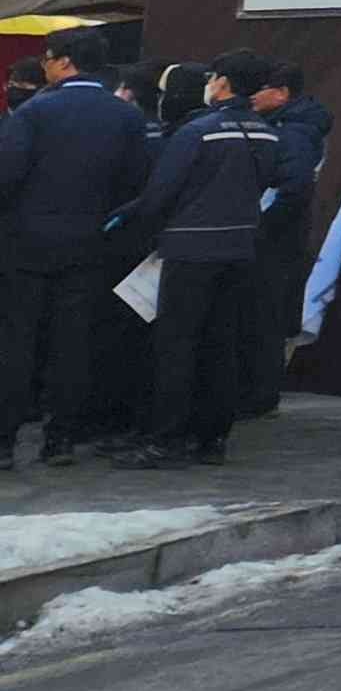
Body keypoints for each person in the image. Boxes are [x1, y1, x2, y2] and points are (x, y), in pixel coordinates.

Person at [104, 54, 288, 468]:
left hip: (190, 249)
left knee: (177, 345)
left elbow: (162, 191)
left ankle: (166, 439)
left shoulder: (199, 131)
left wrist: (130, 217)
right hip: (239, 248)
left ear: (222, 83)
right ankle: (211, 439)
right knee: (221, 345)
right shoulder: (267, 133)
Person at [0, 26, 153, 469]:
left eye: (47, 58)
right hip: (91, 245)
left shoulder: (35, 112)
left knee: (17, 342)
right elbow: (136, 182)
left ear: (64, 61)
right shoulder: (125, 117)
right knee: (74, 343)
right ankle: (61, 439)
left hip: (26, 245)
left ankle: (5, 441)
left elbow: (6, 177)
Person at [243, 59, 330, 416]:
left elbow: (293, 189)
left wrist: (262, 224)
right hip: (280, 238)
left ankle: (260, 397)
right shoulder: (292, 125)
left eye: (260, 89)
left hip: (276, 241)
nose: (252, 96)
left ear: (281, 93)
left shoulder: (293, 133)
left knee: (266, 318)